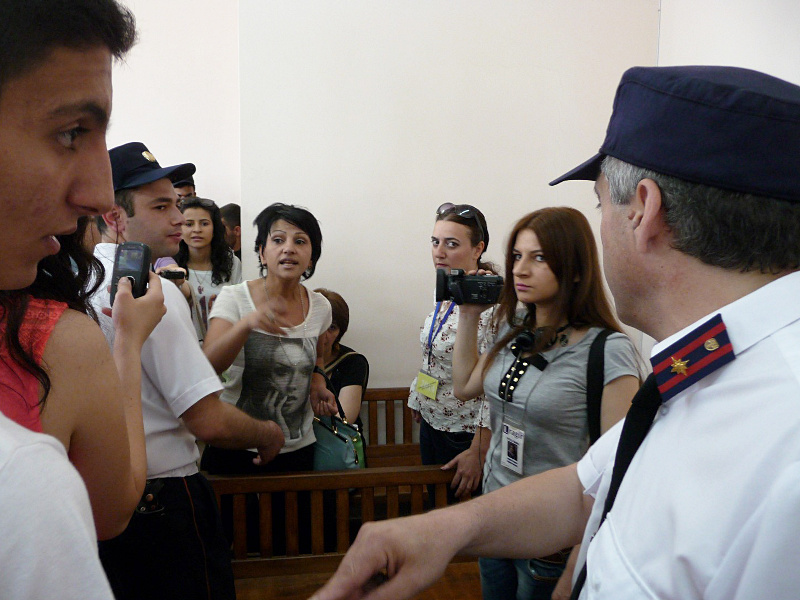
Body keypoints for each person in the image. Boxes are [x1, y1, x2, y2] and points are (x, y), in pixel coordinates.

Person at [311, 65, 800, 600]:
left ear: (643, 210)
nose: (522, 270)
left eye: (601, 203)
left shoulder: (780, 437)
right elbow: (591, 484)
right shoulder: (697, 368)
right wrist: (448, 529)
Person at [93, 141, 286, 600]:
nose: (179, 218)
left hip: (99, 498)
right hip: (164, 498)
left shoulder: (77, 281)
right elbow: (206, 419)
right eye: (160, 207)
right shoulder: (151, 294)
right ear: (114, 216)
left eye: (176, 204)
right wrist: (267, 434)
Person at [0, 1, 144, 597]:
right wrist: (128, 345)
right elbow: (111, 509)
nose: (100, 194)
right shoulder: (23, 481)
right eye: (69, 133)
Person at [450, 207, 640, 599]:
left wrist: (577, 560)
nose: (520, 270)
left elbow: (617, 469)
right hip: (495, 510)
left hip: (552, 536)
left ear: (575, 269)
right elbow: (465, 386)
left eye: (539, 258)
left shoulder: (607, 350)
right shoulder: (513, 327)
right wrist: (468, 315)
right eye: (517, 256)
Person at [202, 202, 337, 475]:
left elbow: (318, 359)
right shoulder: (234, 298)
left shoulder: (321, 307)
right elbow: (207, 366)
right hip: (236, 446)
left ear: (311, 258)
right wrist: (246, 325)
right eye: (278, 240)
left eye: (300, 241)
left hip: (298, 447)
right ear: (263, 253)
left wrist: (318, 382)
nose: (289, 248)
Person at [407, 203, 495, 504]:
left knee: (463, 517)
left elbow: (496, 385)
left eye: (452, 244)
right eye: (435, 242)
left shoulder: (489, 305)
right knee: (437, 505)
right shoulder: (446, 289)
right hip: (432, 421)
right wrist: (418, 395)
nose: (439, 252)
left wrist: (479, 449)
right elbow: (432, 351)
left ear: (478, 248)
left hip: (465, 433)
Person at [165, 196, 242, 341]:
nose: (197, 230)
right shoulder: (170, 265)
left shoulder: (232, 263)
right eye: (189, 224)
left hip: (224, 346)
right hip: (185, 347)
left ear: (215, 228)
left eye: (204, 223)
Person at [315, 288, 370, 425]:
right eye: (318, 325)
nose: (323, 334)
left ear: (340, 332)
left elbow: (346, 418)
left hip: (336, 436)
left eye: (332, 327)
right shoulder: (293, 359)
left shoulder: (352, 362)